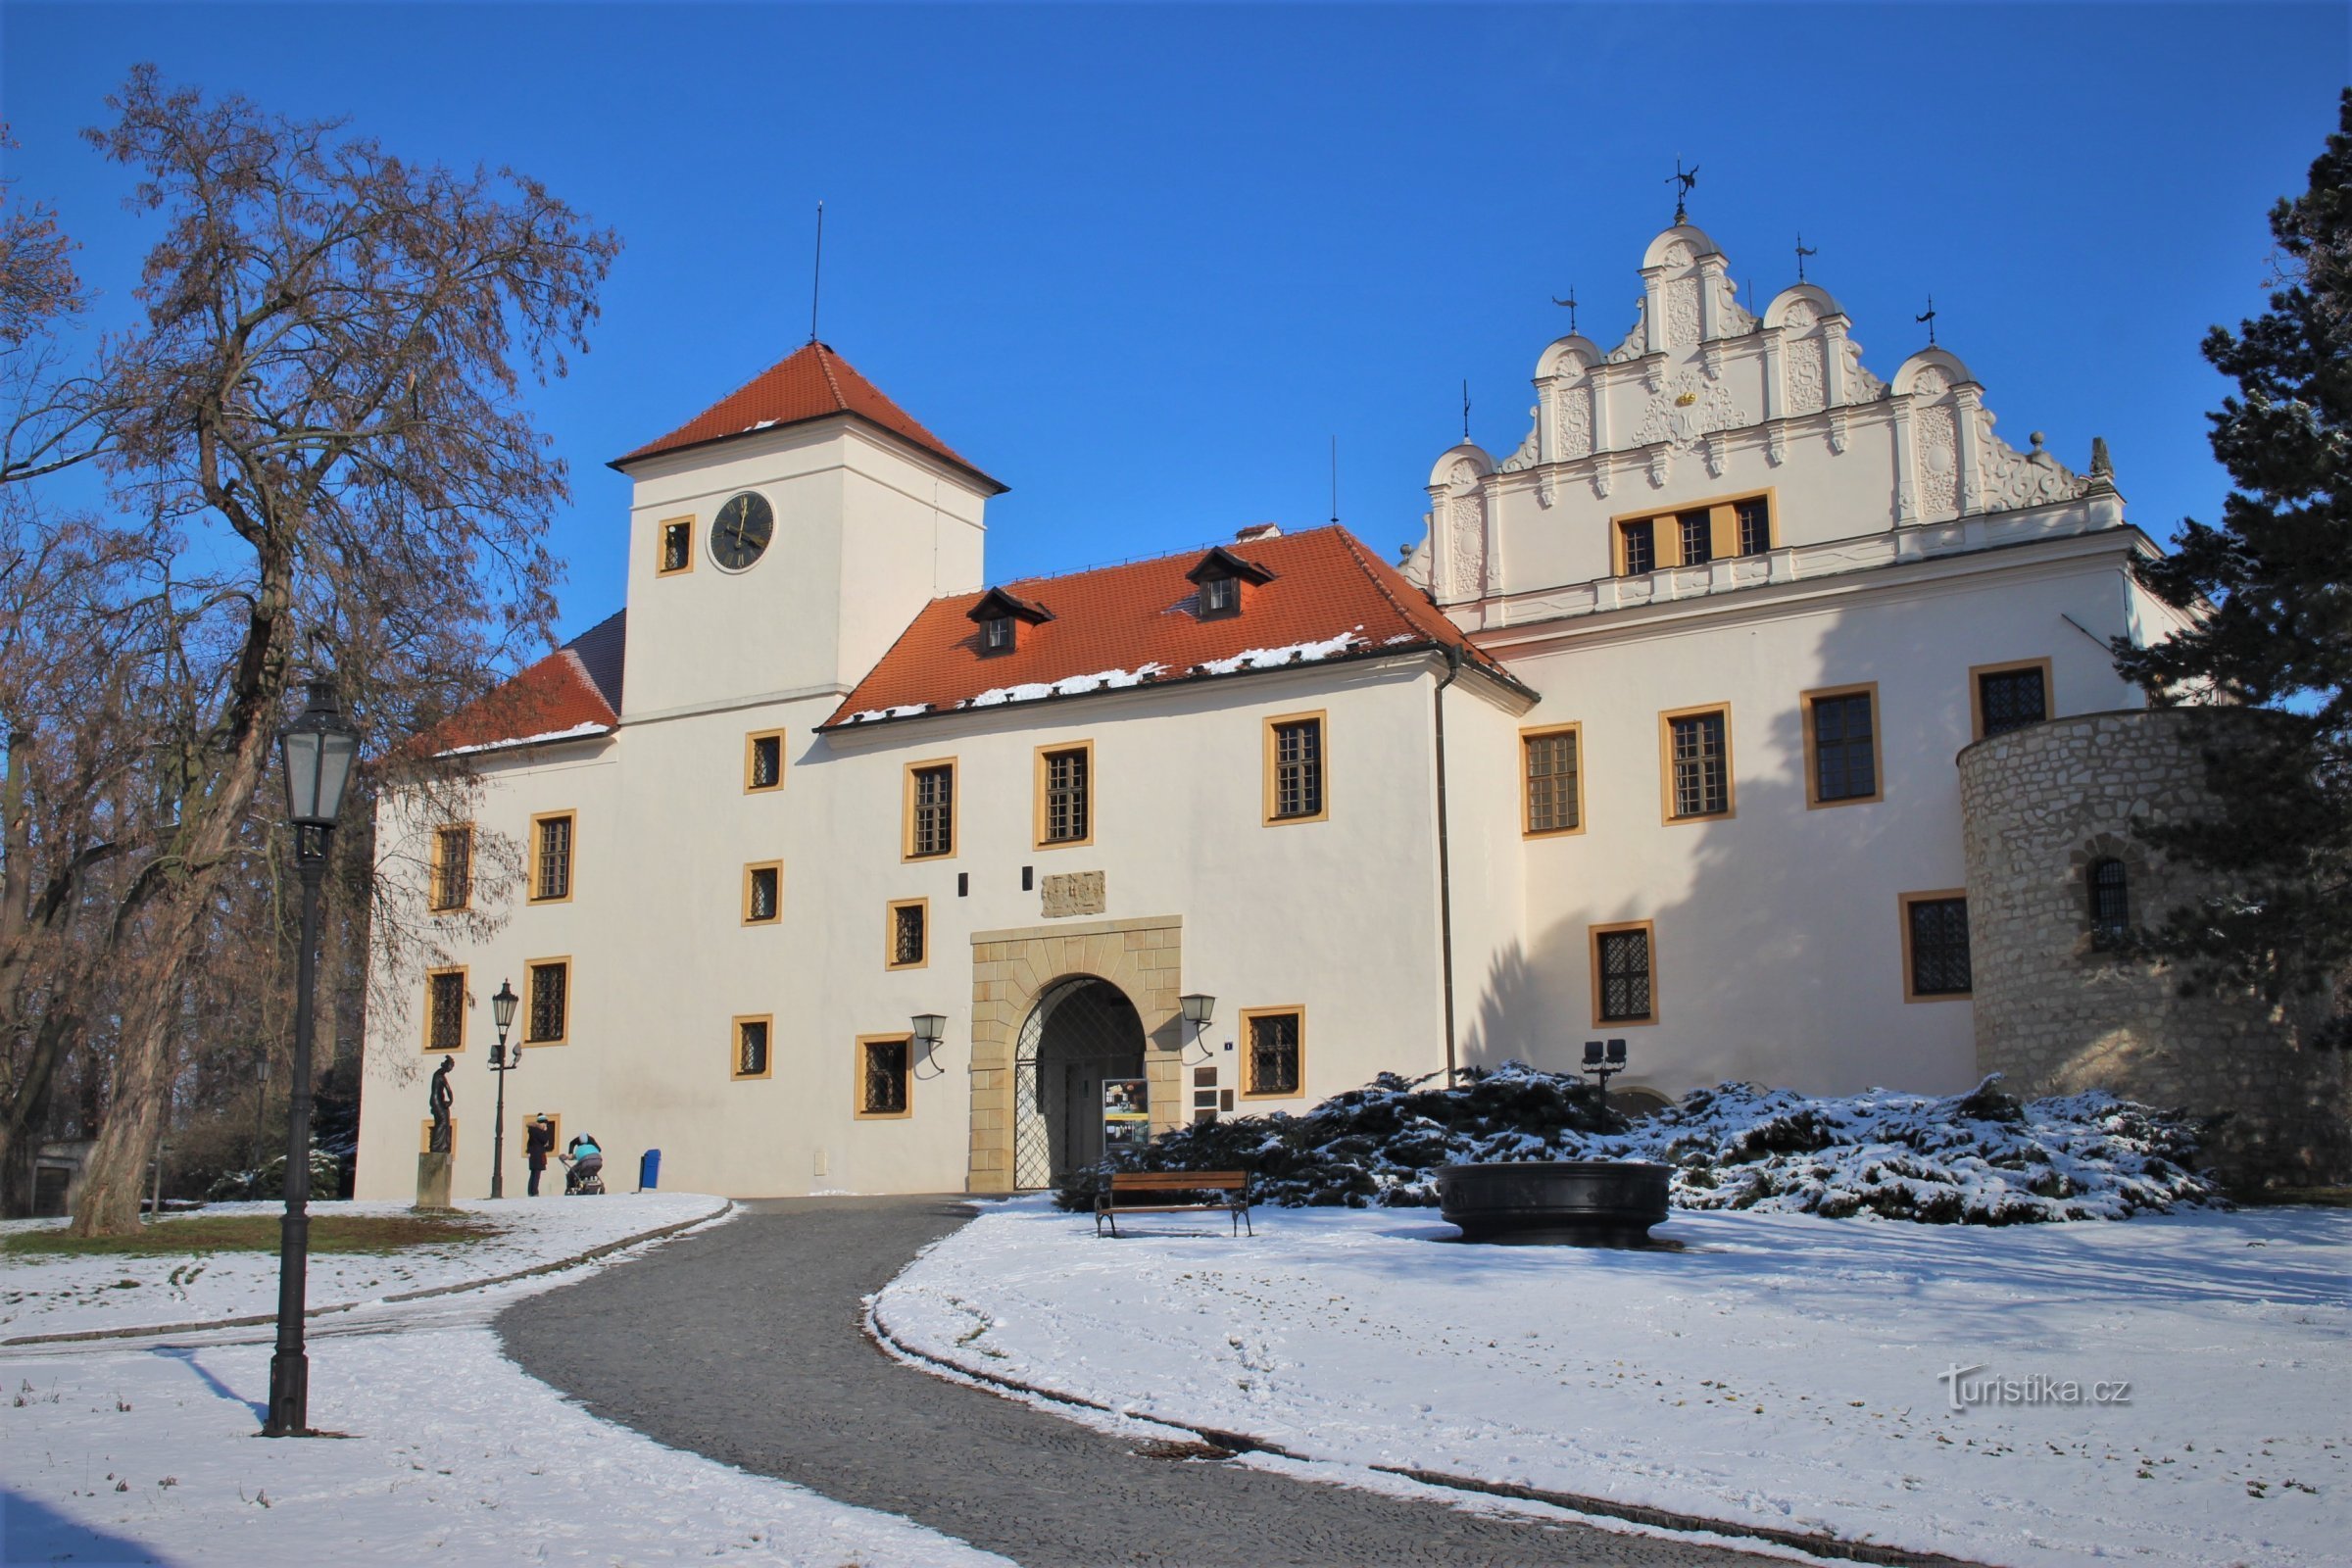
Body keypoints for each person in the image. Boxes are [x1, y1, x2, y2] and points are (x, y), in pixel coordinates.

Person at [564, 1131, 604, 1195]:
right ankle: (598, 1185)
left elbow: (575, 1157)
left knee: (572, 1172)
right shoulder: (592, 1145)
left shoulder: (579, 1148)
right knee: (590, 1170)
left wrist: (568, 1156)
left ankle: (570, 1187)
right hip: (598, 1161)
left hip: (586, 1162)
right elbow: (598, 1150)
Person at [524, 1115, 555, 1197]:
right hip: (538, 1154)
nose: (546, 1126)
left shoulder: (532, 1131)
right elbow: (544, 1140)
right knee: (537, 1173)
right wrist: (545, 1131)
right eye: (545, 1124)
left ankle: (531, 1191)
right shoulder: (539, 1131)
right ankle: (535, 1191)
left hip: (533, 1154)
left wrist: (528, 1151)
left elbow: (529, 1143)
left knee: (533, 1173)